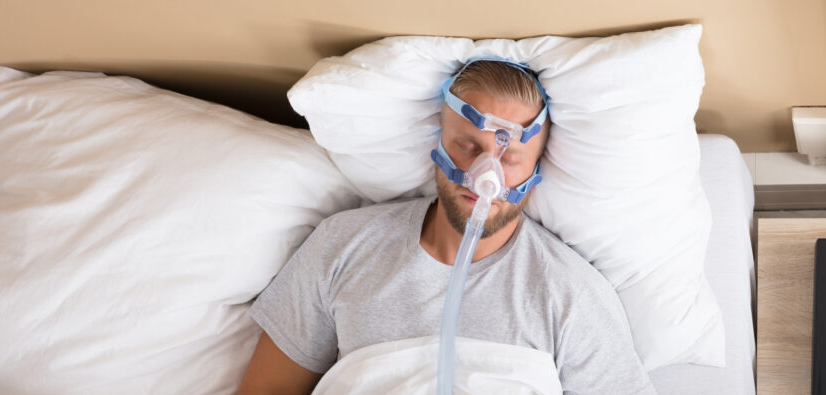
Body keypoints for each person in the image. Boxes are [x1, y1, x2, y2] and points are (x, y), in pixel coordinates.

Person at [238, 59, 656, 394]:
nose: (484, 174)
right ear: (439, 142)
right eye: (468, 146)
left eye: (509, 161)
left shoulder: (570, 293)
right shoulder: (343, 246)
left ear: (535, 171)